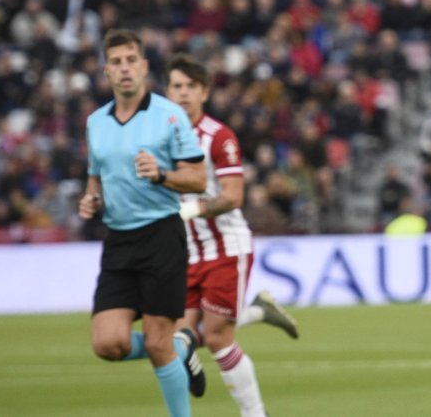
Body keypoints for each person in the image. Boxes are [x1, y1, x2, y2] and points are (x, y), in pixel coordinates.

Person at [77, 29, 209, 417]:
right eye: (116, 62)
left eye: (131, 60)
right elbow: (95, 178)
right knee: (108, 344)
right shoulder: (96, 122)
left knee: (155, 342)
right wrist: (91, 200)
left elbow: (198, 179)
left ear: (144, 66)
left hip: (161, 236)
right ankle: (181, 348)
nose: (124, 69)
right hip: (118, 240)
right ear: (106, 71)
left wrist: (161, 175)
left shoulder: (170, 116)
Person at [166, 54, 300, 417]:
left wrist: (189, 210)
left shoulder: (218, 137)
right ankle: (257, 311)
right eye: (176, 86)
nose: (183, 93)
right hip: (187, 253)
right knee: (176, 339)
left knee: (217, 337)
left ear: (205, 92)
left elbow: (234, 196)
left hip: (226, 248)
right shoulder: (160, 137)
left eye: (191, 86)